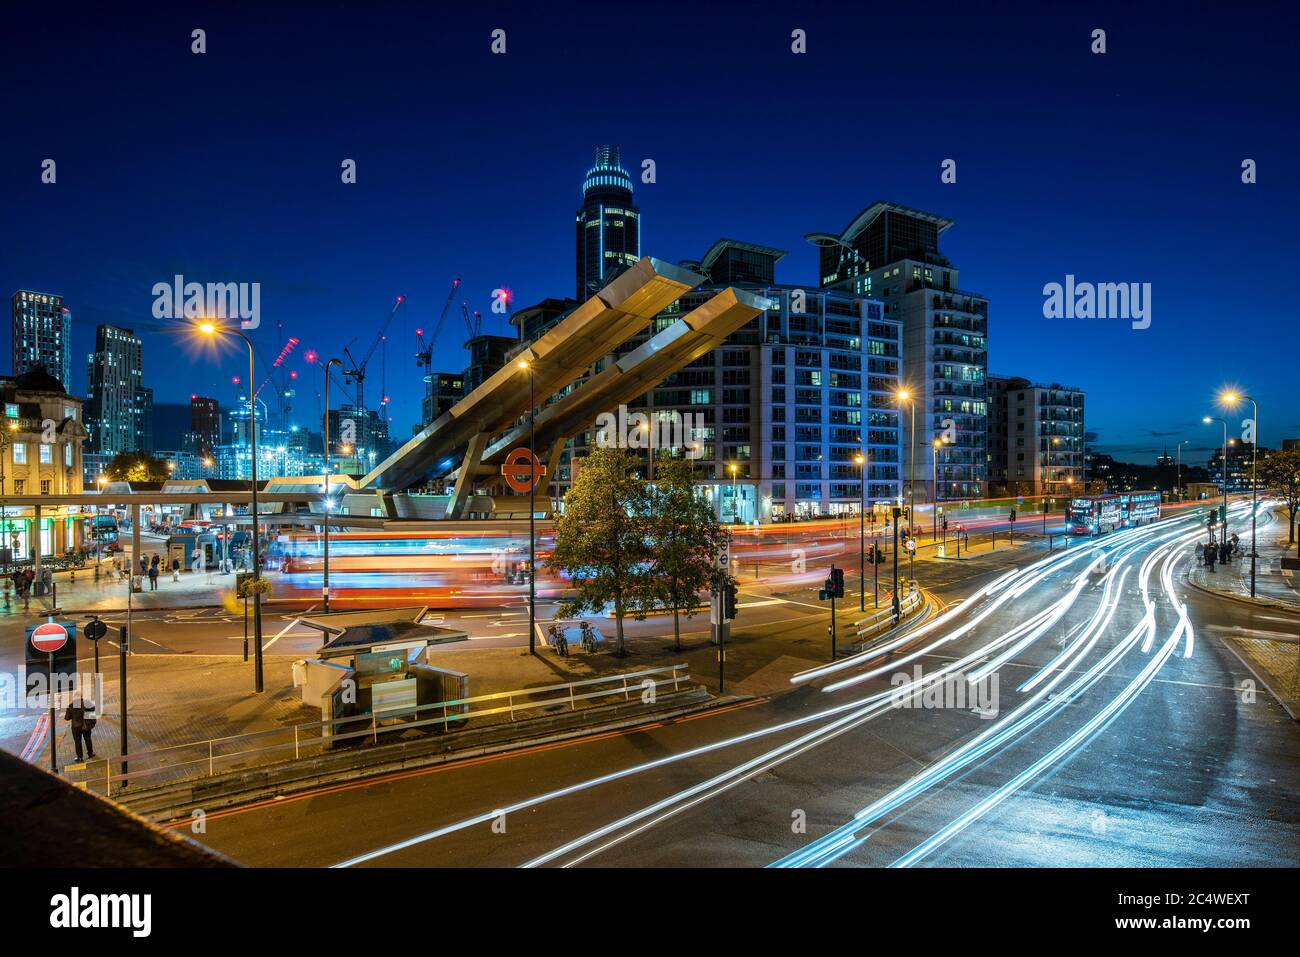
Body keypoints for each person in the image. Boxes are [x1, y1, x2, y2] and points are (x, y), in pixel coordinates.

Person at [64, 695, 97, 761]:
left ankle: (80, 757)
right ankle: (90, 754)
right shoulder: (87, 703)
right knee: (88, 739)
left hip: (76, 727)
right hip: (86, 725)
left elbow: (67, 718)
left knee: (77, 742)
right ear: (81, 697)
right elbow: (93, 709)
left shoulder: (71, 706)